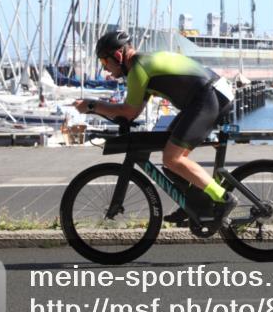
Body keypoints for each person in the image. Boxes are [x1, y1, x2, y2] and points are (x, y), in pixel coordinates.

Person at [74, 30, 236, 226]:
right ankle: (196, 203)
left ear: (117, 56)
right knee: (170, 158)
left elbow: (129, 111)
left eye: (103, 62)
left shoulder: (138, 68)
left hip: (208, 97)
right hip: (206, 97)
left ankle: (223, 198)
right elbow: (133, 111)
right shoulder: (143, 65)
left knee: (172, 158)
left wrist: (92, 105)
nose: (105, 69)